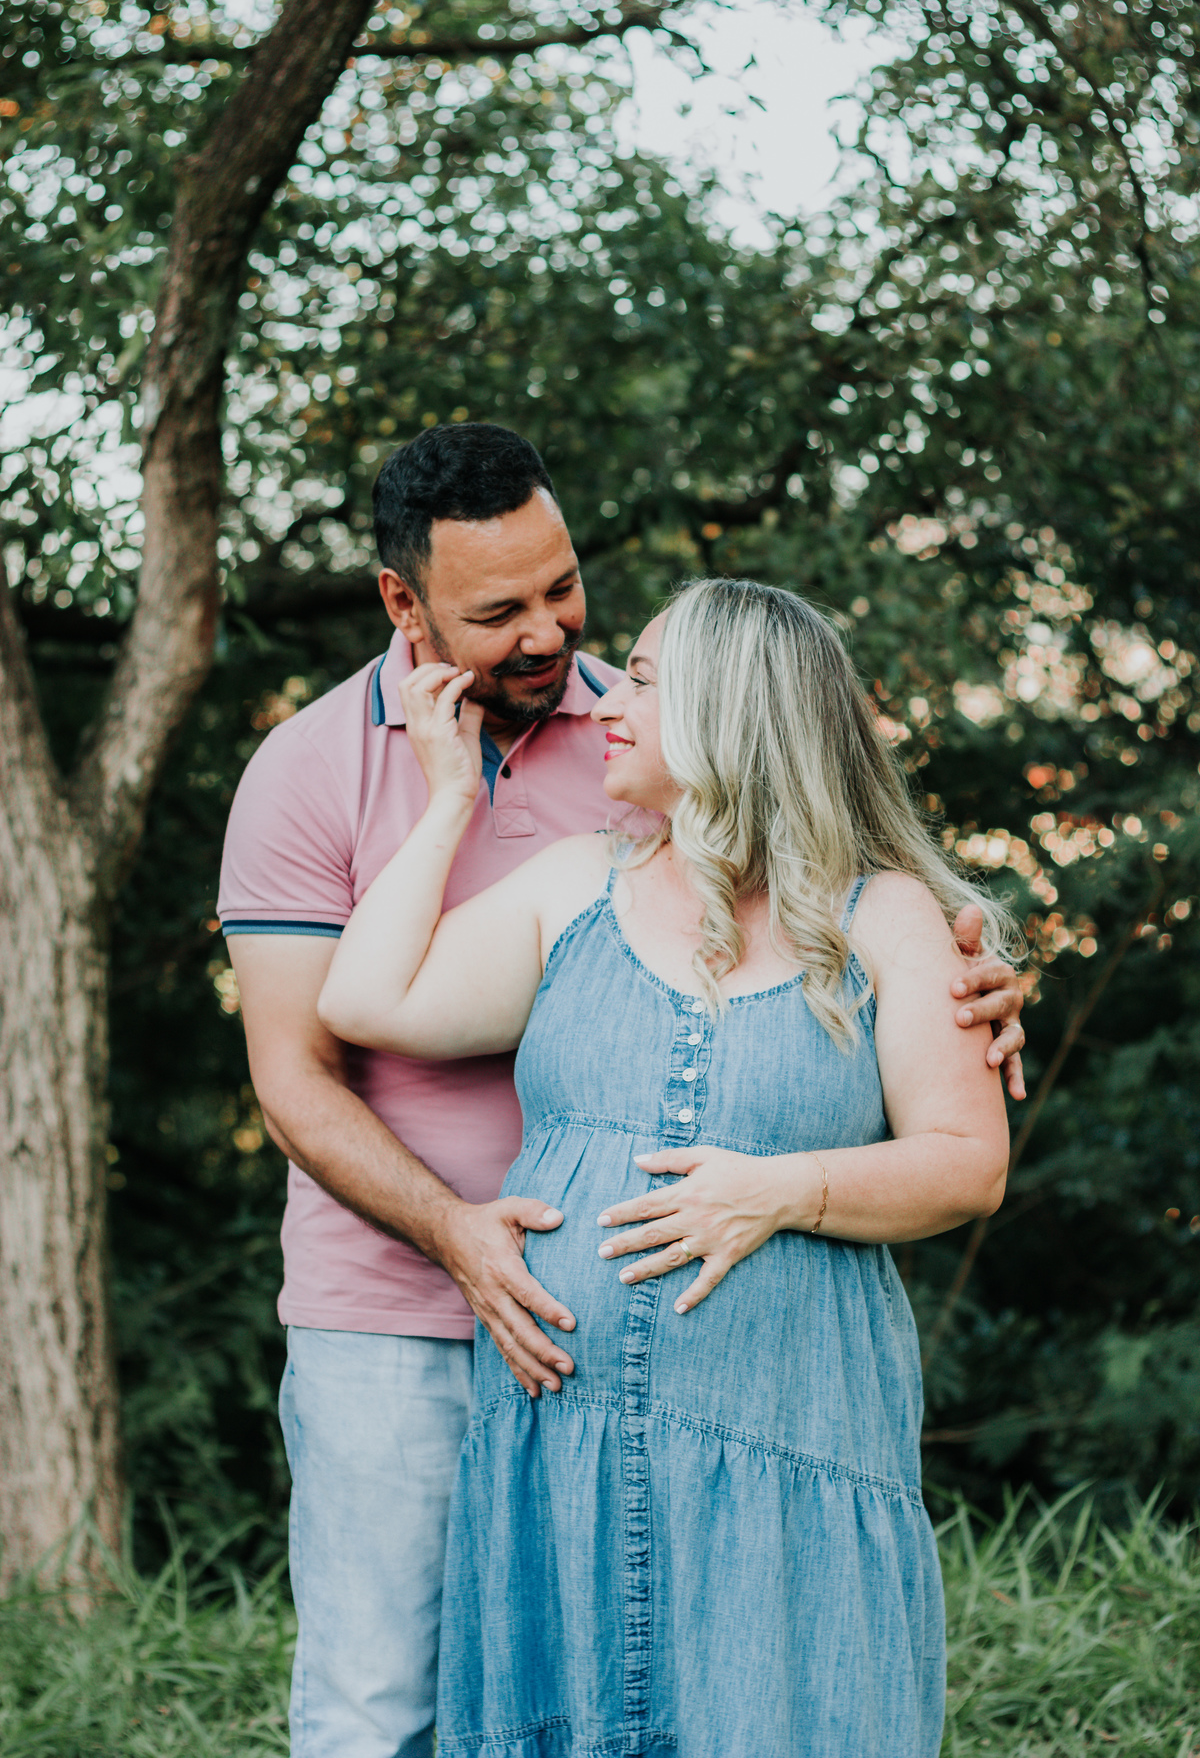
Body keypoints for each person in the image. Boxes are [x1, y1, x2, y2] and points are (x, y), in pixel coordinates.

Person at [219, 424, 1027, 1758]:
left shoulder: (638, 734)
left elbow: (828, 889)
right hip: (403, 1308)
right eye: (501, 611)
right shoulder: (310, 774)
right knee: (381, 1710)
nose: (555, 640)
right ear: (404, 603)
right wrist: (456, 1234)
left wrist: (970, 986)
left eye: (565, 588)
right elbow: (304, 1065)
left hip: (715, 1384)